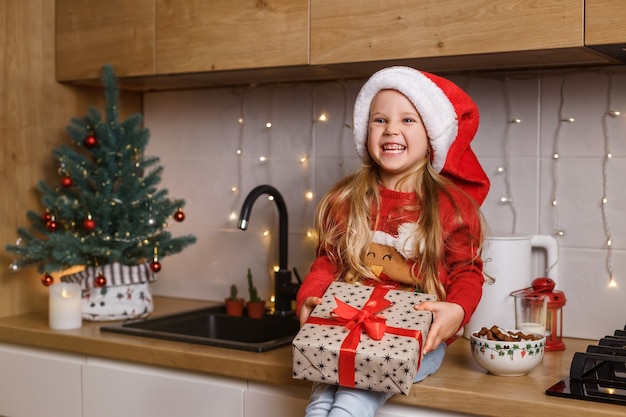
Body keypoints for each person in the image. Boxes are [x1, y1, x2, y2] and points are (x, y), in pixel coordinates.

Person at [296, 66, 490, 417]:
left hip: (414, 342)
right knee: (321, 401)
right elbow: (328, 261)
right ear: (364, 130)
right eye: (380, 120)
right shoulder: (346, 199)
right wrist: (309, 297)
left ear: (432, 132)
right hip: (347, 332)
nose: (392, 130)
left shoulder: (451, 206)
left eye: (408, 120)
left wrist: (457, 310)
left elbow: (467, 272)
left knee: (351, 402)